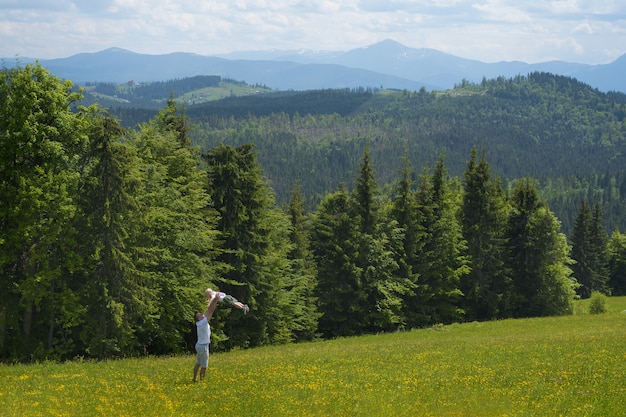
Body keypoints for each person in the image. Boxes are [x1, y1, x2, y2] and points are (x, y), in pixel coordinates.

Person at [193, 291, 220, 382]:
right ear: (199, 318)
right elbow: (210, 311)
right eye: (199, 315)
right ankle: (202, 381)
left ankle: (194, 379)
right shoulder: (203, 322)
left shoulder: (199, 322)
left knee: (198, 363)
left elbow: (208, 309)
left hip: (199, 345)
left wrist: (211, 299)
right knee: (204, 365)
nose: (201, 314)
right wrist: (215, 299)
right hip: (203, 346)